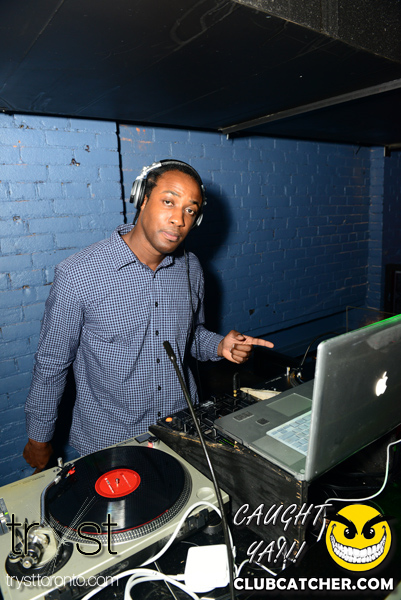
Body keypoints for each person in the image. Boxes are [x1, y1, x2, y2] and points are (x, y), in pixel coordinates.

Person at [23, 160, 274, 472]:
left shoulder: (190, 268)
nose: (179, 219)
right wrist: (39, 438)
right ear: (142, 200)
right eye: (169, 202)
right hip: (110, 440)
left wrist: (219, 345)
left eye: (190, 210)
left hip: (181, 427)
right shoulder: (78, 274)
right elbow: (51, 364)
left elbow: (190, 336)